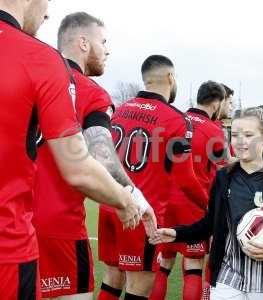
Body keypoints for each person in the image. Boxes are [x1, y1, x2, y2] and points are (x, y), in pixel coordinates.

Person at [0, 1, 139, 298]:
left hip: (31, 220)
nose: (46, 13)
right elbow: (83, 163)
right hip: (24, 236)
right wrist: (128, 199)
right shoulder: (40, 60)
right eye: (104, 42)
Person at [32, 12, 156, 299]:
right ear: (84, 43)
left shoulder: (30, 74)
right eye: (104, 41)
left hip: (12, 221)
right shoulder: (89, 91)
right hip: (59, 226)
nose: (108, 49)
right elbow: (101, 154)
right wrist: (132, 198)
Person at [151, 107, 263, 300]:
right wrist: (177, 233)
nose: (239, 141)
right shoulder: (223, 177)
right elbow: (209, 223)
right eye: (235, 134)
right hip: (226, 278)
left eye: (248, 135)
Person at [104, 55, 209, 299]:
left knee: (111, 282)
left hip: (111, 208)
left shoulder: (119, 110)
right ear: (171, 78)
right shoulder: (176, 120)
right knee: (139, 287)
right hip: (142, 213)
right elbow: (185, 180)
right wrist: (211, 206)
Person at [150, 81, 226, 300]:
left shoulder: (175, 121)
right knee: (193, 266)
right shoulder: (214, 131)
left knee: (163, 263)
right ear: (216, 103)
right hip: (194, 203)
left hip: (164, 204)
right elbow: (221, 171)